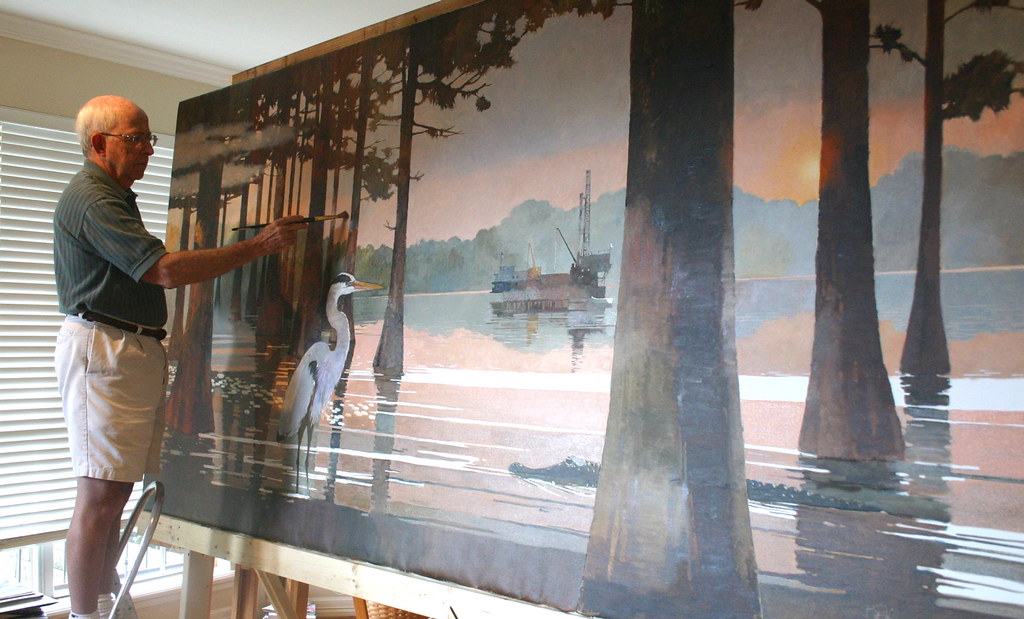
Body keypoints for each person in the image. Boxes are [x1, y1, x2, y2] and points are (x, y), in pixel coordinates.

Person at [52, 95, 308, 619]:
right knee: (100, 494)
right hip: (106, 348)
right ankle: (86, 614)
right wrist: (257, 247)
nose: (148, 149)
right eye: (135, 139)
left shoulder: (115, 195)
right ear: (99, 143)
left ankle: (101, 603)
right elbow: (163, 270)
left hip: (127, 348)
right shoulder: (92, 197)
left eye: (149, 139)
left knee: (116, 491)